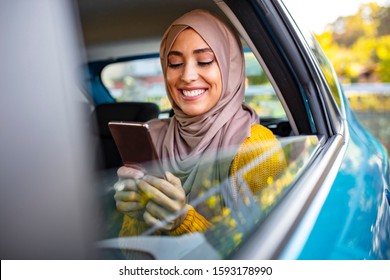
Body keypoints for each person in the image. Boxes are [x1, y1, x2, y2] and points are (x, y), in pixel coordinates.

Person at [114, 9, 286, 237]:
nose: (187, 75)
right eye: (174, 63)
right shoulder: (152, 136)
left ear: (229, 67)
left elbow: (264, 254)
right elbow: (132, 253)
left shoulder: (257, 147)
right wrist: (137, 214)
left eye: (204, 61)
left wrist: (183, 221)